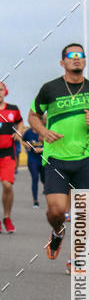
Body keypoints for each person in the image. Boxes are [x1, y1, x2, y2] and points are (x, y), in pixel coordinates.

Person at [28, 43, 89, 267]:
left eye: (80, 55)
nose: (76, 58)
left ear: (84, 61)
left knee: (84, 214)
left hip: (84, 160)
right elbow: (33, 115)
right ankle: (57, 232)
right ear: (62, 62)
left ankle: (76, 259)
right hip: (56, 159)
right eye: (71, 55)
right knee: (56, 211)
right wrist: (43, 131)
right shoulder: (50, 89)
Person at [0, 82, 24, 233]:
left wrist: (19, 132)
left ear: (5, 91)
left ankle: (7, 217)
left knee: (7, 185)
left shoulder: (13, 109)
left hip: (7, 152)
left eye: (0, 90)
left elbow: (20, 122)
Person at [21, 126, 45, 207]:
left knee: (44, 179)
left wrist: (41, 149)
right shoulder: (28, 132)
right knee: (35, 178)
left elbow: (50, 144)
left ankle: (45, 187)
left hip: (43, 159)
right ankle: (35, 200)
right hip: (32, 159)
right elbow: (23, 140)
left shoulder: (44, 130)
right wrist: (26, 145)